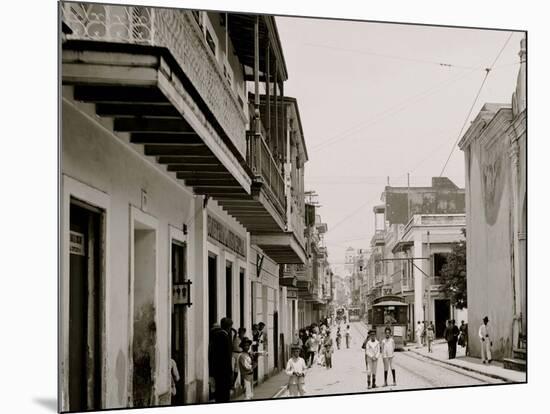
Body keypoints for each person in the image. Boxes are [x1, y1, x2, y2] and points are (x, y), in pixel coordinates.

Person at [209, 317, 234, 402]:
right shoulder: (224, 337)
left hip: (216, 371)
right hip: (224, 372)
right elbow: (226, 358)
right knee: (224, 396)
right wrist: (230, 373)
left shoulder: (215, 336)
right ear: (229, 327)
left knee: (218, 394)